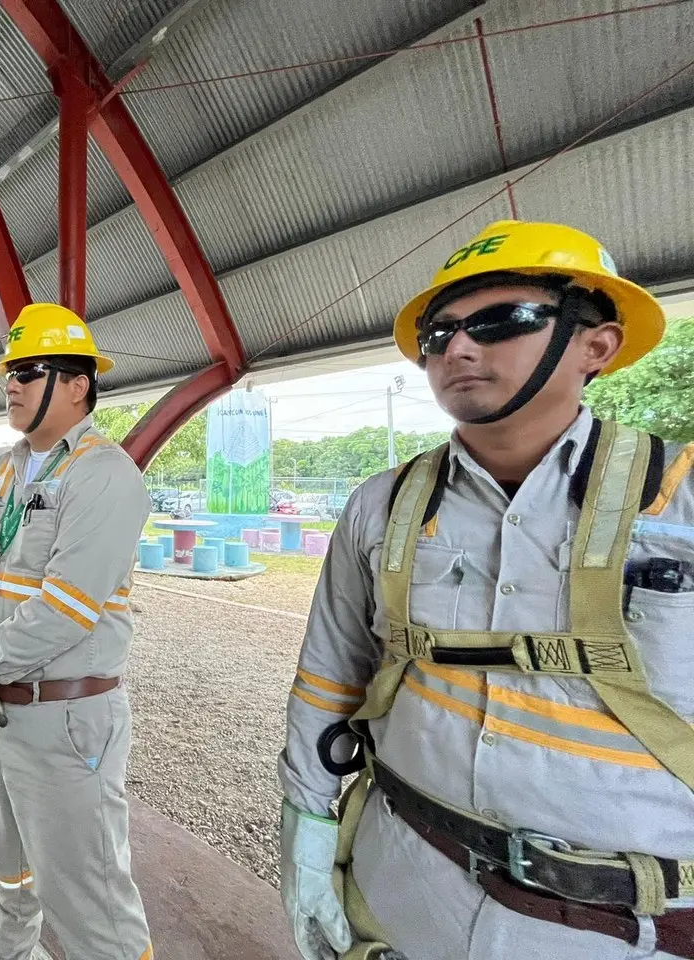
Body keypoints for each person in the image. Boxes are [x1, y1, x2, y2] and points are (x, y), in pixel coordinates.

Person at [277, 220, 694, 960]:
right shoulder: (384, 506)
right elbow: (330, 675)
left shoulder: (677, 503)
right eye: (438, 335)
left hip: (619, 930)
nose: (458, 349)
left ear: (596, 345)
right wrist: (307, 820)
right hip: (403, 891)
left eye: (503, 321)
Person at [0, 304, 153, 960]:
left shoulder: (105, 476)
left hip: (66, 718)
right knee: (8, 871)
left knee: (91, 903)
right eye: (9, 373)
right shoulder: (0, 469)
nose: (11, 384)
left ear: (78, 385)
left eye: (28, 370)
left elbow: (64, 610)